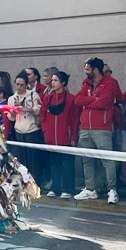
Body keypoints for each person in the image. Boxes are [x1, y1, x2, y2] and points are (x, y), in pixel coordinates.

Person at [74, 57, 121, 204]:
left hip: (102, 129)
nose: (85, 71)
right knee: (87, 160)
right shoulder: (86, 82)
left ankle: (112, 190)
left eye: (87, 69)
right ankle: (90, 189)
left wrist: (90, 101)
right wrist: (93, 98)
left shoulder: (111, 83)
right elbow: (77, 100)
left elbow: (103, 103)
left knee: (107, 160)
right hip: (85, 128)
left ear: (96, 70)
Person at [40, 71, 79, 199]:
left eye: (56, 80)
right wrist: (46, 130)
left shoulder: (71, 99)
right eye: (52, 80)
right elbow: (43, 116)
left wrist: (74, 136)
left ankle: (67, 189)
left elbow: (74, 119)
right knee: (54, 163)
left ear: (63, 83)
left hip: (66, 137)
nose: (53, 83)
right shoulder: (47, 99)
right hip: (51, 137)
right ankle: (55, 188)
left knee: (67, 164)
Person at [7, 71, 45, 184]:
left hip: (32, 129)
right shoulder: (11, 98)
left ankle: (36, 182)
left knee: (34, 159)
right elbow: (11, 118)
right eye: (17, 84)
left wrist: (28, 109)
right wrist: (14, 111)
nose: (19, 87)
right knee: (22, 159)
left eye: (21, 85)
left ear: (26, 85)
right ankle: (24, 182)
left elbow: (39, 108)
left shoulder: (33, 95)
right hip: (19, 130)